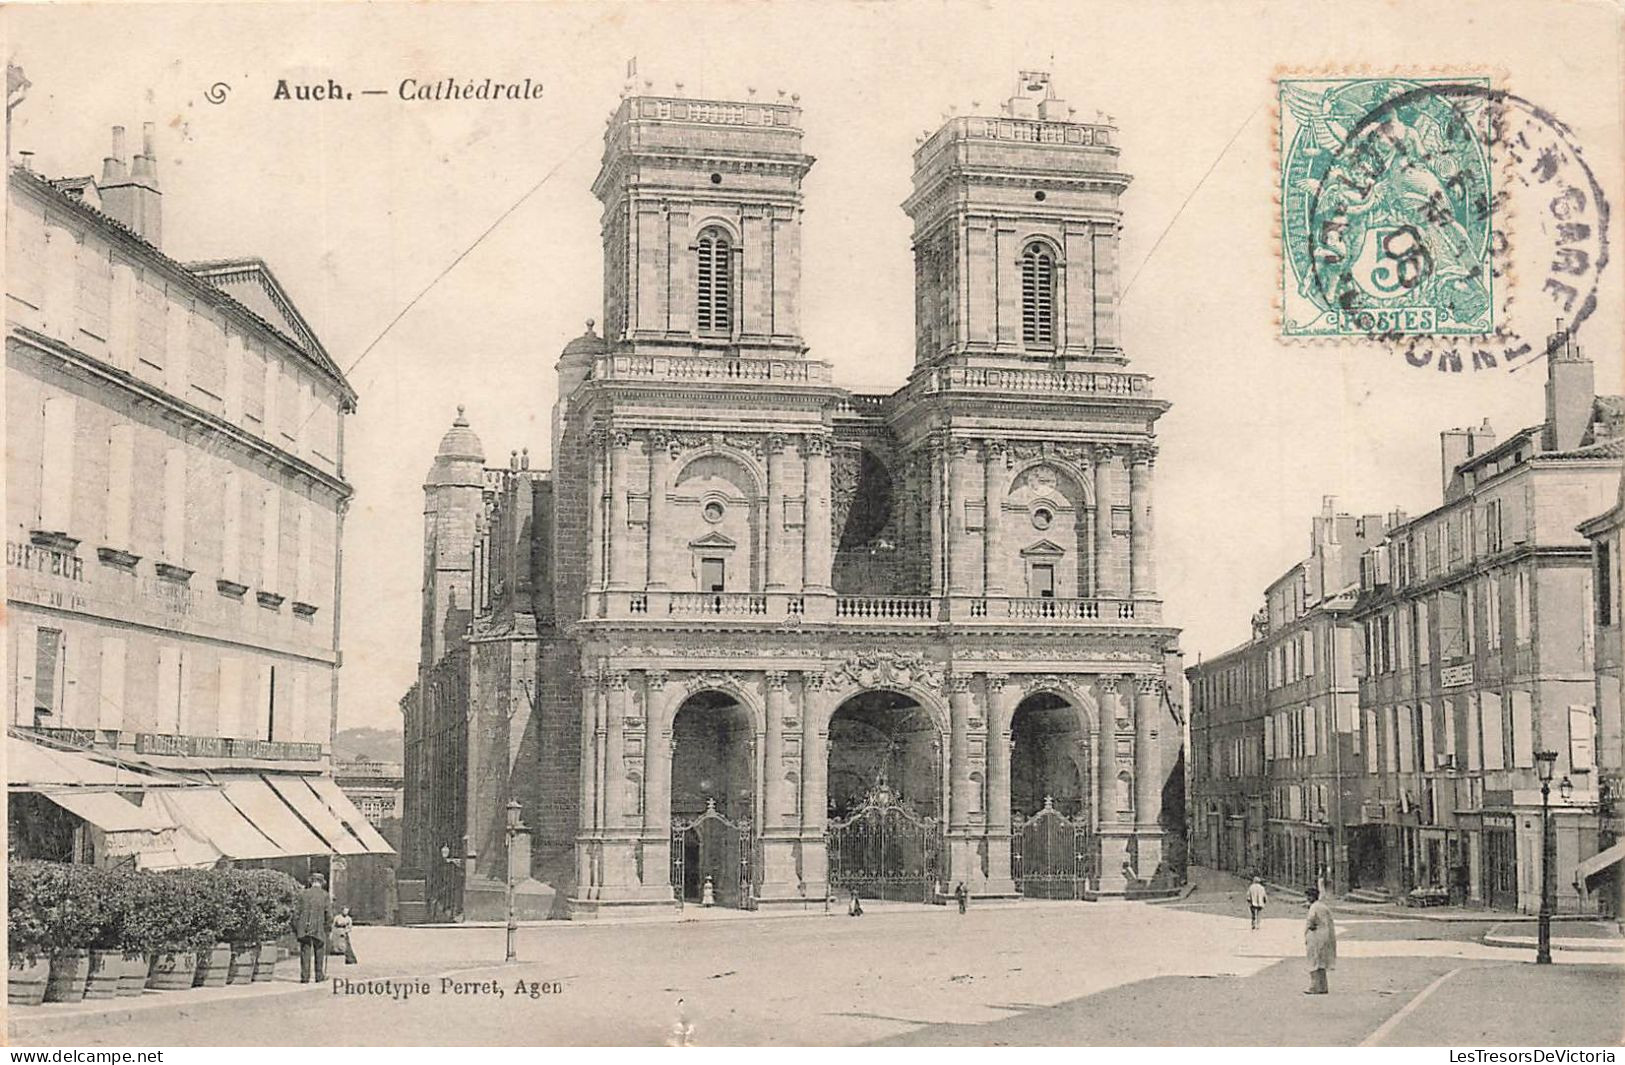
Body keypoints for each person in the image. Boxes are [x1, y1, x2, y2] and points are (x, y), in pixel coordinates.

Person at [294, 872, 335, 983]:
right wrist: (328, 927)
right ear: (321, 883)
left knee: (305, 952)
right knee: (319, 951)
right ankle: (319, 976)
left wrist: (297, 928)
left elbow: (296, 913)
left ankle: (304, 977)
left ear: (311, 882)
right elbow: (329, 914)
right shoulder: (325, 895)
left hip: (304, 928)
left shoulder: (303, 894)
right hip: (318, 928)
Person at [1303, 885, 1338, 994]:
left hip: (1316, 937)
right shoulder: (1323, 906)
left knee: (1314, 961)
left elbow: (1311, 920)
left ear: (1312, 897)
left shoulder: (1314, 907)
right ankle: (1323, 987)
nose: (1307, 899)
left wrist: (1309, 928)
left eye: (1309, 896)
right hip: (1325, 936)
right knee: (1321, 963)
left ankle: (1314, 987)